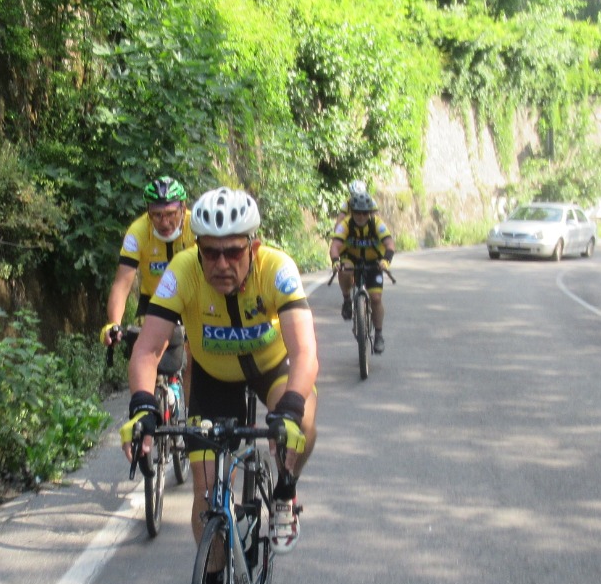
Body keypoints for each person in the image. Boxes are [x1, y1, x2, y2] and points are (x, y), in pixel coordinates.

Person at [121, 187, 318, 552]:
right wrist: (142, 406)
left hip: (271, 367)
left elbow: (305, 351)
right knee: (207, 495)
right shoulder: (182, 272)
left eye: (233, 252)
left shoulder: (276, 268)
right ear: (197, 250)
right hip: (213, 377)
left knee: (302, 423)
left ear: (253, 248)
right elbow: (148, 348)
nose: (221, 264)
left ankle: (285, 490)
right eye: (210, 252)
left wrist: (289, 409)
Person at [103, 176, 192, 385]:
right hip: (154, 301)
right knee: (141, 355)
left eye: (171, 214)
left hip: (190, 301)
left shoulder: (196, 226)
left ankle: (194, 416)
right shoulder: (138, 231)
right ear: (148, 213)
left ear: (183, 208)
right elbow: (122, 284)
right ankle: (145, 411)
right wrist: (114, 324)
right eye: (157, 215)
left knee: (194, 359)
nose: (164, 222)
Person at [329, 185, 395, 353]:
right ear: (353, 211)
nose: (360, 216)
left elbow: (389, 244)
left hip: (374, 262)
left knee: (376, 298)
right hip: (351, 259)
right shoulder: (345, 224)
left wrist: (386, 261)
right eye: (357, 212)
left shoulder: (377, 224)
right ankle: (347, 300)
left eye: (364, 213)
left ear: (369, 213)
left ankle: (378, 334)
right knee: (345, 269)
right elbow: (335, 246)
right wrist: (336, 261)